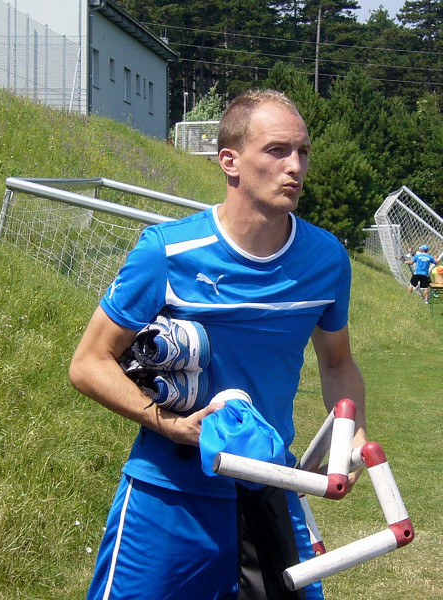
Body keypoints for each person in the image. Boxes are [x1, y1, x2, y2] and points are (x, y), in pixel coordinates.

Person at [69, 89, 367, 600]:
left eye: (303, 152)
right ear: (229, 160)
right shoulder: (167, 252)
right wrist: (172, 424)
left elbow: (337, 362)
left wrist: (351, 436)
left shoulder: (326, 259)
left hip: (270, 488)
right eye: (277, 151)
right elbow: (88, 363)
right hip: (170, 495)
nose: (295, 167)